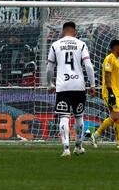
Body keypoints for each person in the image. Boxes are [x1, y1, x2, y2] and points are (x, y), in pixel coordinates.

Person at [46, 21, 95, 157]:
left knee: (64, 117)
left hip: (63, 86)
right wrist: (92, 85)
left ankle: (66, 149)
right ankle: (78, 146)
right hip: (78, 85)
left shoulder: (55, 45)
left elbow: (49, 67)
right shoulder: (81, 44)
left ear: (62, 31)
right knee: (79, 117)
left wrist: (50, 84)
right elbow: (89, 66)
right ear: (75, 32)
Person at [92, 39, 119, 148]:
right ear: (115, 47)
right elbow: (107, 75)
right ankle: (96, 135)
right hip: (110, 92)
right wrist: (110, 92)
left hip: (117, 92)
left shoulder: (117, 60)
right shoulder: (109, 58)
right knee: (114, 116)